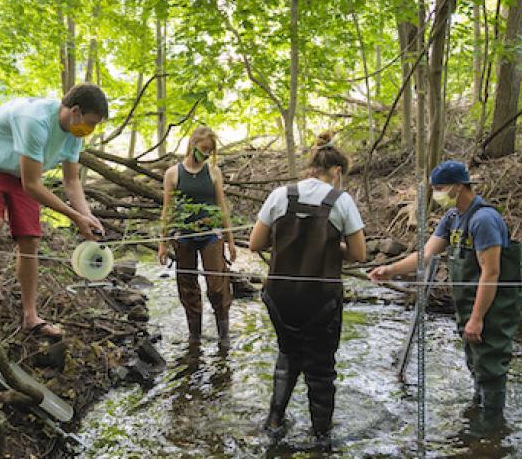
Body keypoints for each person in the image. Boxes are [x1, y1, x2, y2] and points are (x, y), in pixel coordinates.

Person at [368, 160, 522, 428]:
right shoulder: (453, 218)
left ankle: (491, 432)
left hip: (492, 310)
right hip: (468, 306)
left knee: (491, 368)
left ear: (459, 186)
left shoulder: (484, 220)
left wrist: (477, 318)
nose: (437, 194)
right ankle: (479, 418)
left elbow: (491, 272)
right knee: (477, 365)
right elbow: (425, 255)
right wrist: (390, 270)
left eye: (440, 188)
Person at [0, 84, 108, 338]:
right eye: (91, 122)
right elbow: (32, 185)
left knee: (30, 240)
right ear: (75, 111)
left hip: (22, 175)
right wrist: (74, 217)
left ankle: (31, 316)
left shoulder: (74, 134)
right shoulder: (35, 120)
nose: (90, 130)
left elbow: (71, 181)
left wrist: (87, 215)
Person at [249, 131, 366, 445]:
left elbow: (255, 243)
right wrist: (332, 248)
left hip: (280, 297)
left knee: (288, 353)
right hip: (320, 300)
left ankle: (274, 422)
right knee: (321, 367)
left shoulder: (279, 195)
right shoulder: (341, 201)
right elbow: (359, 254)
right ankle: (321, 437)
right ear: (337, 171)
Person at [157, 126, 236, 347]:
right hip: (183, 236)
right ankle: (195, 335)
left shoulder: (213, 172)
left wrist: (230, 240)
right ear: (193, 145)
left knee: (216, 285)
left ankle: (224, 333)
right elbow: (168, 210)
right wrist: (162, 244)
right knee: (187, 284)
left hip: (211, 235)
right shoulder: (173, 174)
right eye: (204, 149)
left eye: (210, 151)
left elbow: (222, 207)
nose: (207, 154)